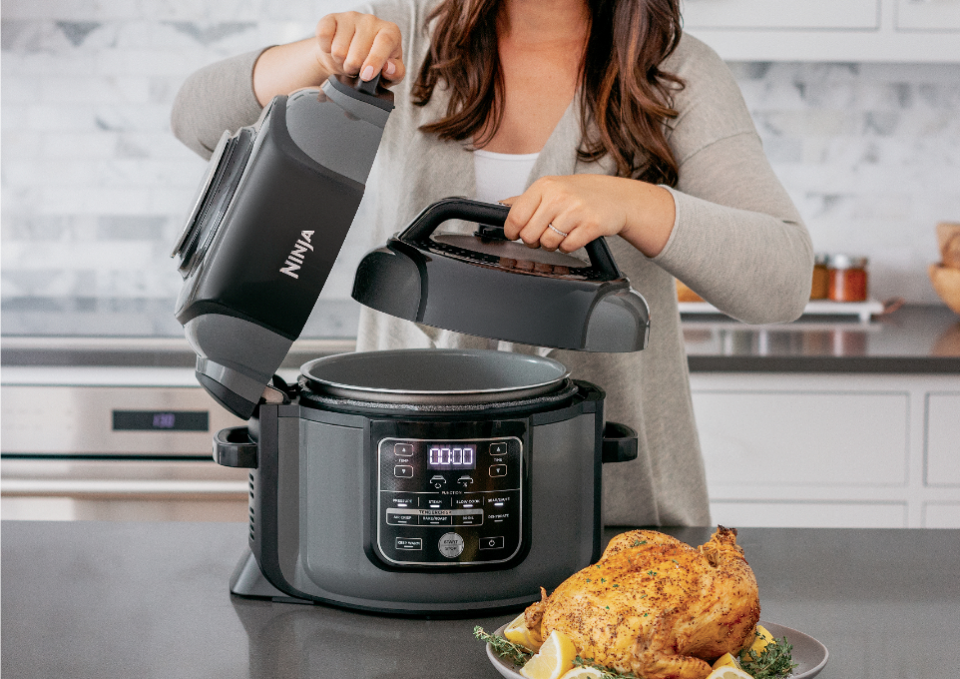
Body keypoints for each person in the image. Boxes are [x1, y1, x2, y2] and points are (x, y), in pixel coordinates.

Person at [171, 0, 813, 527]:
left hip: (610, 506)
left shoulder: (674, 74)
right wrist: (319, 57)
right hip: (403, 499)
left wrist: (633, 204)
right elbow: (195, 120)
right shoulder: (408, 35)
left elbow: (782, 282)